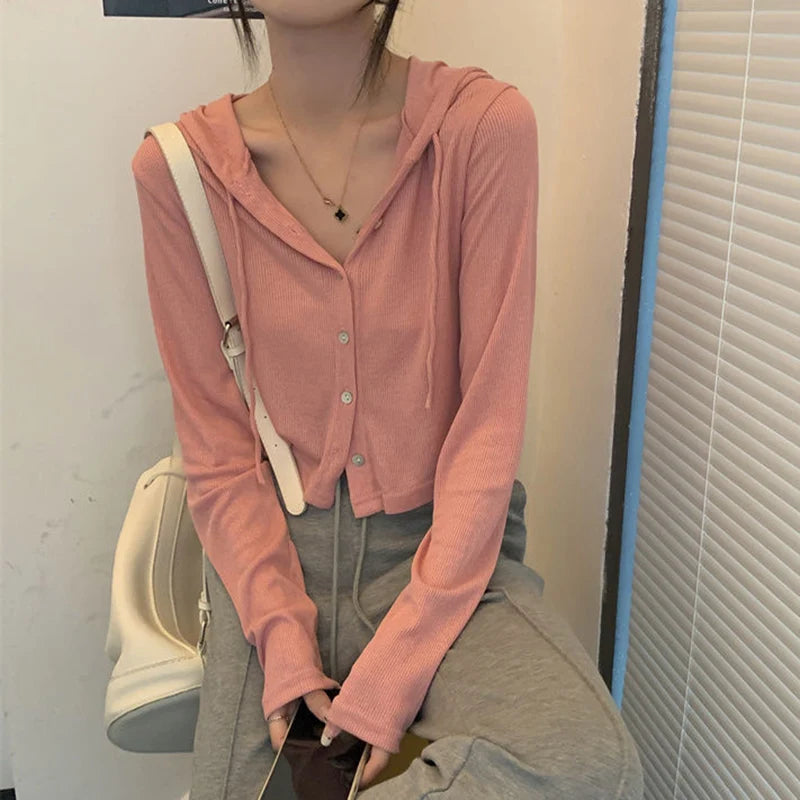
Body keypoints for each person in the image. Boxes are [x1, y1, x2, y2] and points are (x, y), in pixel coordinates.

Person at [130, 1, 645, 797]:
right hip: (272, 557)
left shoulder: (483, 130)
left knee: (589, 766)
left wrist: (400, 664)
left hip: (442, 550)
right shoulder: (178, 170)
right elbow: (218, 450)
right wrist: (280, 635)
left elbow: (487, 425)